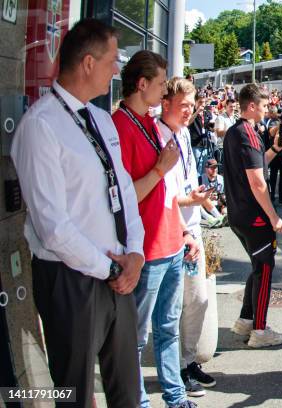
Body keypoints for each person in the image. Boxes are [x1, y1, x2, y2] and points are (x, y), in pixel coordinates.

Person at [11, 19, 144, 407]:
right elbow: (54, 228)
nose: (117, 69)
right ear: (88, 63)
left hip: (119, 273)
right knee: (76, 393)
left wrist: (134, 253)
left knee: (127, 394)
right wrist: (113, 269)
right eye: (111, 60)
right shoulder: (41, 126)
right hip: (70, 280)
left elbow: (122, 192)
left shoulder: (102, 119)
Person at [113, 50, 200, 408]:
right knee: (137, 334)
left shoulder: (148, 124)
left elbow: (165, 196)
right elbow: (124, 196)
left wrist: (183, 232)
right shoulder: (120, 127)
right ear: (143, 84)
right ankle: (139, 402)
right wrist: (160, 171)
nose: (164, 91)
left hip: (169, 244)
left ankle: (175, 398)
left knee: (167, 327)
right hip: (146, 250)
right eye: (161, 83)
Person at [158, 77, 217, 397]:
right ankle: (178, 371)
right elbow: (162, 194)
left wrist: (203, 202)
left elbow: (183, 187)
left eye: (192, 106)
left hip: (191, 228)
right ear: (165, 103)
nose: (189, 111)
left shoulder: (182, 134)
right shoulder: (159, 136)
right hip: (172, 232)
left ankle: (188, 362)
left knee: (198, 300)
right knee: (177, 306)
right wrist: (191, 202)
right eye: (183, 105)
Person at [224, 83, 282, 348]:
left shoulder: (234, 132)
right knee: (264, 268)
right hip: (255, 216)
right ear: (251, 106)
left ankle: (246, 320)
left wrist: (273, 149)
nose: (266, 110)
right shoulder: (248, 134)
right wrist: (273, 216)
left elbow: (255, 167)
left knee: (257, 265)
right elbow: (258, 182)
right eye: (263, 106)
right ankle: (260, 330)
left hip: (238, 215)